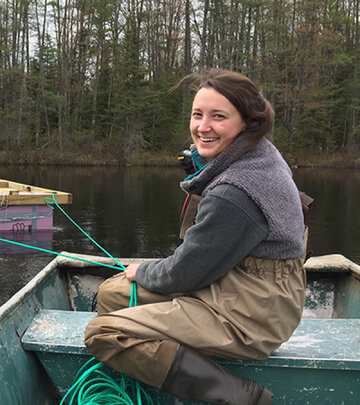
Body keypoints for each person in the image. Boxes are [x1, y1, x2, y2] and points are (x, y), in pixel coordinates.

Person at [84, 69, 307, 405]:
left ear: (247, 123)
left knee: (103, 331)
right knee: (113, 293)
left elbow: (186, 272)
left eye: (219, 117)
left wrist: (141, 271)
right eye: (198, 114)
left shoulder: (236, 190)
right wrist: (205, 167)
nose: (203, 127)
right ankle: (156, 369)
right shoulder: (259, 155)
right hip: (249, 287)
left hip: (254, 314)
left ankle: (238, 396)